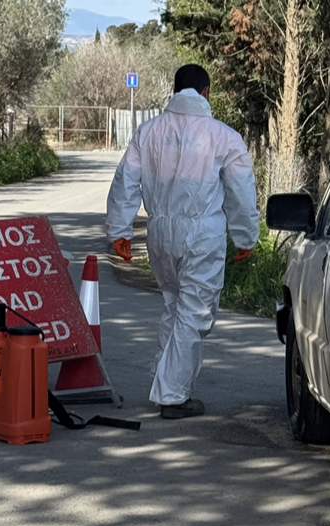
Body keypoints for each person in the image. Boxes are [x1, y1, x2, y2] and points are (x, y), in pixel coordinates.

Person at [105, 64, 259, 419]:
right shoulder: (222, 136)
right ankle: (172, 395)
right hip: (201, 235)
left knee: (175, 307)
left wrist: (119, 231)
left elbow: (124, 182)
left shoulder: (148, 132)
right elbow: (241, 191)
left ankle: (165, 378)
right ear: (205, 92)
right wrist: (246, 235)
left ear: (175, 91)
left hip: (160, 234)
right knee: (194, 314)